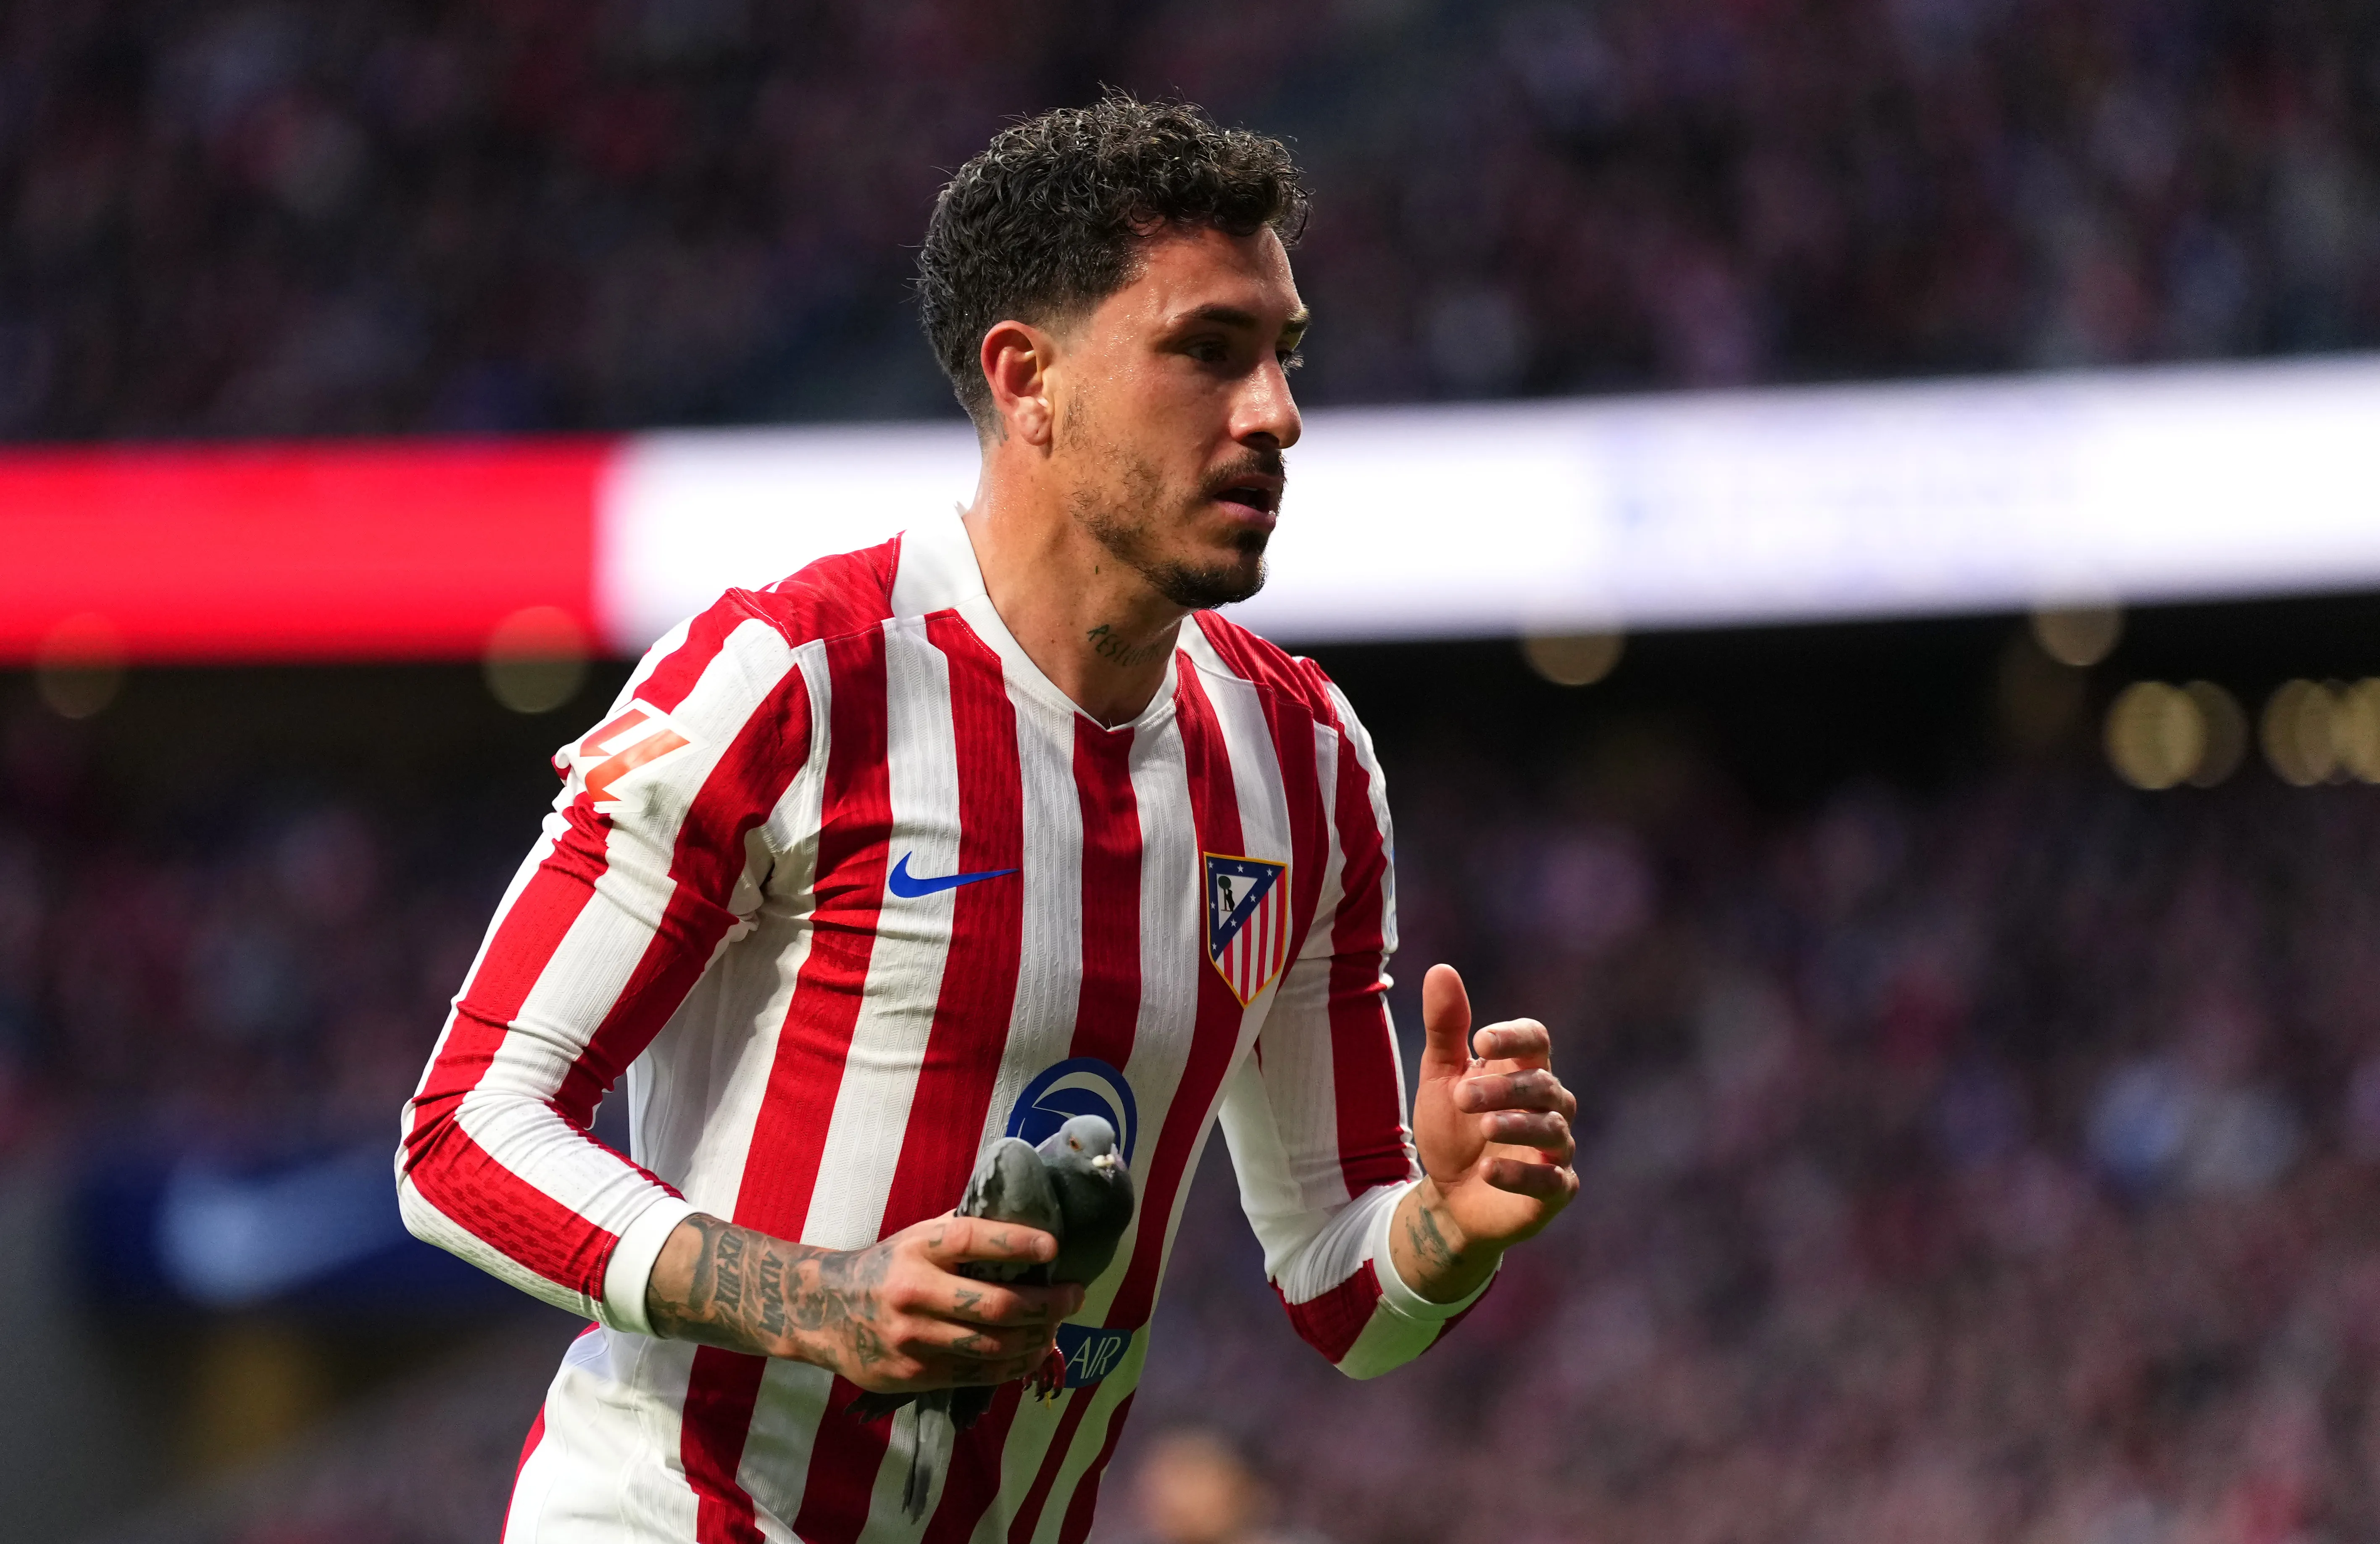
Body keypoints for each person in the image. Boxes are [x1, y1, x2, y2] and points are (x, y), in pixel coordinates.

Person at [397, 94, 1577, 1544]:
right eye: (1207, 351)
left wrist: (1447, 1229)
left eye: (1285, 355)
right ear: (1028, 381)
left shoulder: (1306, 759)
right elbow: (461, 1134)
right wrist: (809, 1299)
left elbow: (1346, 1300)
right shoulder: (795, 680)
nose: (1275, 412)